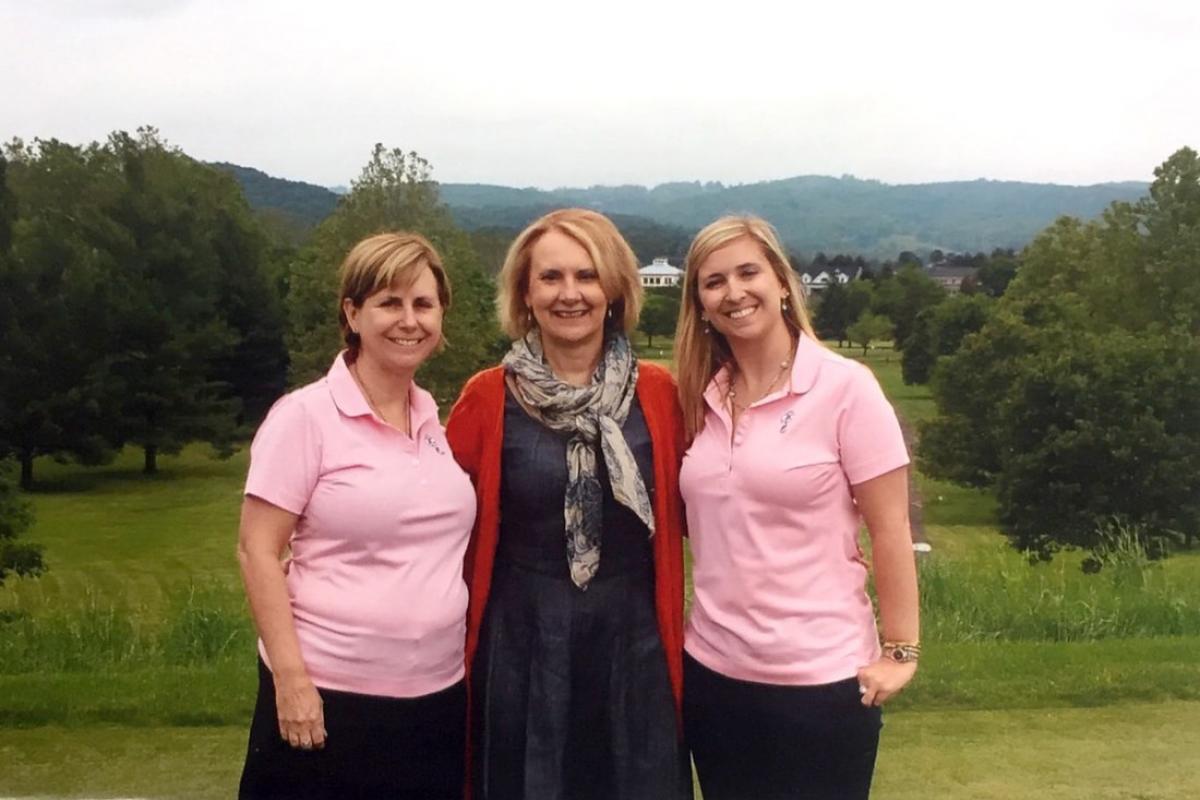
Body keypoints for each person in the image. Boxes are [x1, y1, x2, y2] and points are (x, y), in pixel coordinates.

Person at [446, 208, 691, 800]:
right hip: (521, 641)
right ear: (525, 294)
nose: (570, 294)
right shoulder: (486, 398)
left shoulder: (662, 395)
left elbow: (719, 505)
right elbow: (431, 513)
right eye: (550, 277)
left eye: (587, 275)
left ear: (615, 289)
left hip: (634, 639)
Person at [674, 216, 920, 800]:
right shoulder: (699, 396)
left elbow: (891, 530)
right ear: (701, 305)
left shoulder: (846, 388)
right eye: (714, 282)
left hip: (821, 683)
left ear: (783, 283)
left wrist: (901, 650)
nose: (733, 292)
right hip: (713, 678)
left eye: (748, 272)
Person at [236, 233, 476, 799]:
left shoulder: (433, 421)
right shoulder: (305, 417)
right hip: (330, 697)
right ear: (353, 313)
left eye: (423, 304)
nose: (408, 320)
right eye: (389, 303)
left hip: (436, 697)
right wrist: (292, 683)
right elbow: (257, 551)